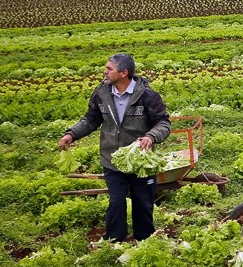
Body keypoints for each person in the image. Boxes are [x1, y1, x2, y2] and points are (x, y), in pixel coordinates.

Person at [58, 53, 171, 241]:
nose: (105, 72)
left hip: (141, 162)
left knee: (143, 203)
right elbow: (91, 119)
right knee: (116, 202)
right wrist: (72, 134)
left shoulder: (148, 96)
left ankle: (144, 241)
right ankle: (114, 241)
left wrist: (151, 136)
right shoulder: (101, 93)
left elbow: (163, 123)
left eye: (109, 68)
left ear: (123, 73)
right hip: (113, 159)